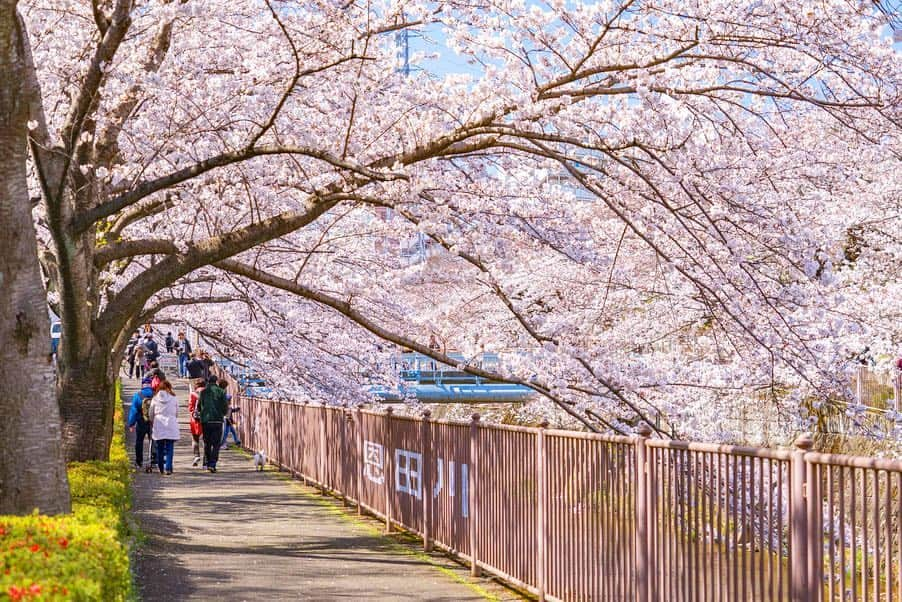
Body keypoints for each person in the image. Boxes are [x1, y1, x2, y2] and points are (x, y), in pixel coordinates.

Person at [198, 375, 228, 473]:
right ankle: (212, 464)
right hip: (217, 420)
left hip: (206, 420)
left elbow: (199, 406)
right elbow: (225, 407)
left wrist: (202, 412)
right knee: (216, 444)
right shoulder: (221, 392)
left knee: (207, 443)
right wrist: (222, 413)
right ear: (216, 382)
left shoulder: (203, 392)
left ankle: (206, 462)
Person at [149, 379, 180, 475]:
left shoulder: (155, 399)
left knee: (160, 447)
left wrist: (152, 420)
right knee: (170, 448)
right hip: (171, 423)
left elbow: (151, 413)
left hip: (159, 423)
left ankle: (161, 467)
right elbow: (176, 412)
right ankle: (168, 468)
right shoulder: (174, 398)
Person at [127, 380, 156, 471]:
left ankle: (139, 461)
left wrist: (131, 423)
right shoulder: (155, 395)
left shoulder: (138, 395)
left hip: (141, 421)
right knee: (154, 441)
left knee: (139, 441)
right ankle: (153, 460)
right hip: (154, 422)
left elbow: (134, 411)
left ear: (142, 385)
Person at [188, 379, 205, 467]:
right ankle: (206, 459)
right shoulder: (208, 393)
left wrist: (193, 414)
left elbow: (190, 407)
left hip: (195, 420)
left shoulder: (193, 394)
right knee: (205, 439)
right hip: (205, 418)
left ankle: (196, 455)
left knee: (195, 438)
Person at [220, 380, 241, 449]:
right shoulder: (226, 405)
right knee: (225, 433)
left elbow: (231, 411)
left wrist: (236, 409)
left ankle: (237, 441)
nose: (230, 401)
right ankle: (223, 443)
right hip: (227, 420)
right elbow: (228, 413)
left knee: (233, 431)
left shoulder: (228, 405)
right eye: (229, 400)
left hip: (229, 420)